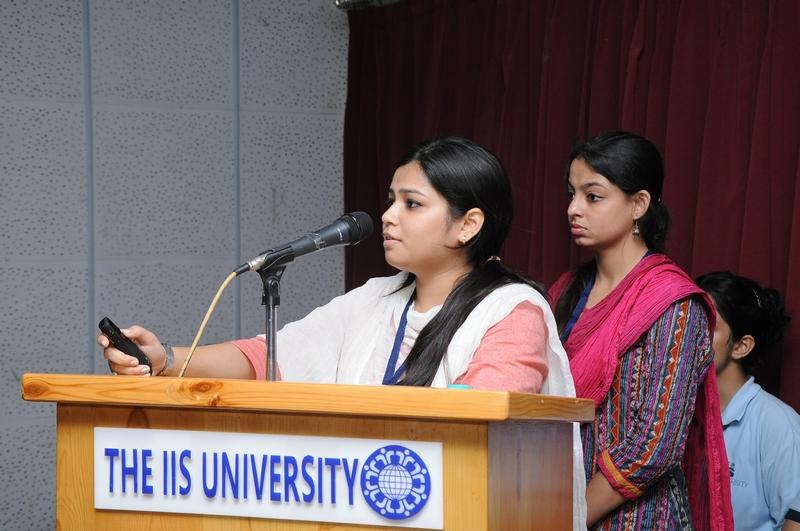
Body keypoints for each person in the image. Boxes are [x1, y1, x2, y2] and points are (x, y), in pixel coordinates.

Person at [99, 136, 587, 528]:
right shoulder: (375, 297)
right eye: (391, 200)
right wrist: (165, 358)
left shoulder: (511, 309)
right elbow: (267, 358)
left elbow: (487, 417)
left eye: (412, 204)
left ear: (468, 225)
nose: (389, 216)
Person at [549, 131, 733, 530]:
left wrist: (572, 517)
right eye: (572, 194)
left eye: (592, 196)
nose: (573, 209)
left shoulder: (673, 302)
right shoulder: (565, 292)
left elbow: (655, 446)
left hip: (639, 519)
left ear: (639, 204)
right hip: (555, 501)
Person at [695, 271, 800, 531]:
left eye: (707, 324)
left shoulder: (778, 423)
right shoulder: (677, 412)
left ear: (741, 346)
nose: (689, 336)